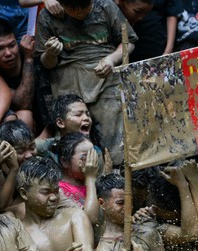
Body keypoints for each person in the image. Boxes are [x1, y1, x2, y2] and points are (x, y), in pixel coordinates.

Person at [35, 0, 137, 164]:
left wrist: (112, 59)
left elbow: (129, 41)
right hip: (67, 77)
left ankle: (116, 172)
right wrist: (51, 53)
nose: (80, 13)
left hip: (105, 71)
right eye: (73, 8)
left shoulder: (105, 6)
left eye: (84, 7)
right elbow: (46, 63)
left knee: (113, 131)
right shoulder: (48, 15)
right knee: (70, 132)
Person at [0, 18, 35, 131]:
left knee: (24, 116)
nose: (8, 53)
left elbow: (23, 102)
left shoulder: (30, 53)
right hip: (2, 122)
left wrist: (28, 59)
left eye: (12, 45)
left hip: (38, 125)